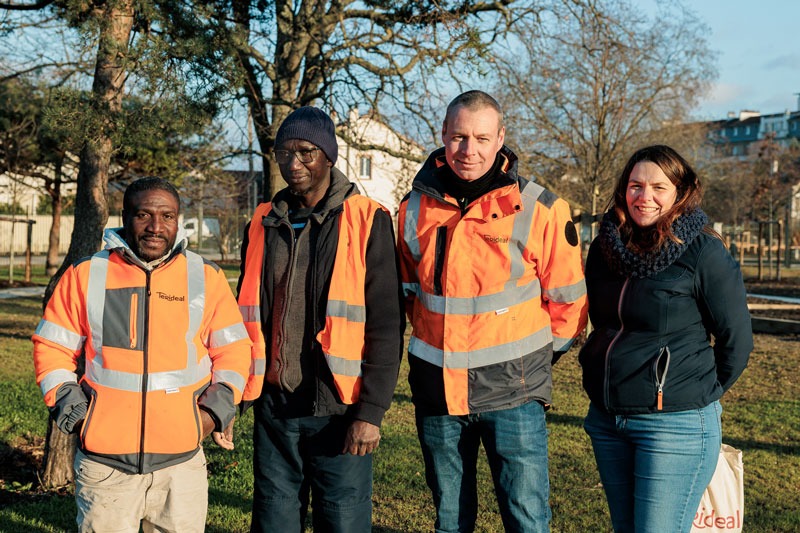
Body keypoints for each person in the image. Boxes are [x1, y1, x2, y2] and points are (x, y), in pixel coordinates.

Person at [397, 90, 588, 532]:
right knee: (450, 519)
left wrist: (534, 360)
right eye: (460, 137)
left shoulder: (541, 208)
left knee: (526, 519)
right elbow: (410, 295)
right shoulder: (413, 209)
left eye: (482, 138)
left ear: (500, 138)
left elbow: (570, 303)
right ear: (443, 135)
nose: (470, 150)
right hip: (437, 391)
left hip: (514, 392)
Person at [32, 177, 252, 532]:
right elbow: (52, 348)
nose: (156, 227)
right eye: (144, 215)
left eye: (167, 216)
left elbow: (234, 349)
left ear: (178, 219)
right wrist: (74, 410)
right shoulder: (86, 274)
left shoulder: (204, 276)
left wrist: (214, 412)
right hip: (106, 468)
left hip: (181, 468)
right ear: (124, 216)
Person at [237, 106, 405, 532]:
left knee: (342, 523)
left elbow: (386, 325)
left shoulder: (368, 219)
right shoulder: (262, 221)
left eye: (306, 152)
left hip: (339, 410)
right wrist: (234, 396)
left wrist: (371, 413)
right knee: (274, 522)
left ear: (329, 155)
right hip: (275, 408)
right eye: (284, 153)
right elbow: (243, 318)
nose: (294, 164)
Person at [578, 145, 752, 532]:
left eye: (659, 186)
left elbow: (736, 340)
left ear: (680, 191)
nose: (645, 196)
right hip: (608, 420)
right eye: (636, 185)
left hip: (675, 426)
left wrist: (694, 393)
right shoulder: (606, 247)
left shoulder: (703, 250)